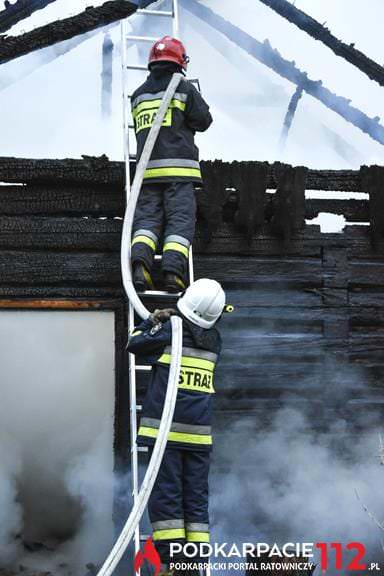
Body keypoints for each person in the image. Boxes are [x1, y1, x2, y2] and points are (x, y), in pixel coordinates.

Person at [127, 279, 227, 575]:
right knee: (195, 502)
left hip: (166, 434)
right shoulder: (215, 340)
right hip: (198, 437)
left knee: (167, 497)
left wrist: (154, 320)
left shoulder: (172, 330)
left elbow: (135, 343)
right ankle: (194, 565)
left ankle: (172, 565)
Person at [130, 36, 213, 294]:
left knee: (145, 221)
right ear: (180, 61)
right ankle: (173, 274)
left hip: (147, 173)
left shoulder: (137, 95)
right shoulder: (183, 88)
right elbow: (204, 121)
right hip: (179, 172)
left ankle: (140, 267)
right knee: (179, 221)